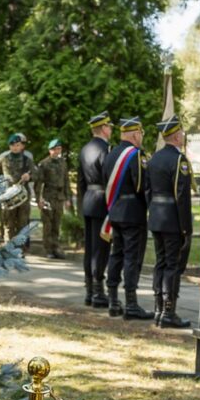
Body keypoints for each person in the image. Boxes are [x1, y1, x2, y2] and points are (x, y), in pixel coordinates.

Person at [103, 117, 153, 320]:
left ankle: (113, 300)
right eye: (140, 134)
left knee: (116, 254)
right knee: (132, 257)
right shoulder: (136, 155)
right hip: (133, 212)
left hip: (115, 210)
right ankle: (131, 303)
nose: (141, 138)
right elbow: (141, 185)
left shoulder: (111, 153)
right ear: (135, 134)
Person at [147, 115, 193, 328]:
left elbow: (148, 190)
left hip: (156, 217)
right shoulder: (179, 160)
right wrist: (186, 228)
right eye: (181, 132)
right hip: (173, 219)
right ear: (176, 135)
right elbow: (181, 196)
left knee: (161, 263)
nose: (183, 135)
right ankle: (168, 311)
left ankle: (158, 309)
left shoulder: (154, 158)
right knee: (172, 265)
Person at [78, 111, 113, 307]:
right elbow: (109, 178)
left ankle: (89, 290)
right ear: (103, 128)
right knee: (101, 248)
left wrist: (83, 201)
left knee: (89, 248)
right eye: (109, 127)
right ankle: (98, 291)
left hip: (88, 200)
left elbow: (81, 182)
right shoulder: (106, 149)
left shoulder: (84, 149)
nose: (110, 130)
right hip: (102, 201)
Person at [0, 133, 36, 252]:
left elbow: (36, 174)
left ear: (22, 146)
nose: (15, 148)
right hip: (8, 196)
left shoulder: (27, 160)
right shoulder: (3, 159)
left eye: (18, 145)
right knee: (9, 224)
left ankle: (20, 250)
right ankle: (9, 249)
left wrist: (29, 176)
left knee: (22, 223)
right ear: (9, 146)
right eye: (13, 145)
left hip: (23, 196)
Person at [36, 138, 71, 259]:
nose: (57, 151)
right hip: (48, 197)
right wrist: (39, 199)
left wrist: (67, 198)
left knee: (57, 223)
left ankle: (56, 247)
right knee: (48, 224)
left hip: (59, 197)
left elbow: (66, 180)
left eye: (59, 149)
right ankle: (48, 249)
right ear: (50, 150)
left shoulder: (63, 162)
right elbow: (39, 183)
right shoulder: (44, 164)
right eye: (55, 149)